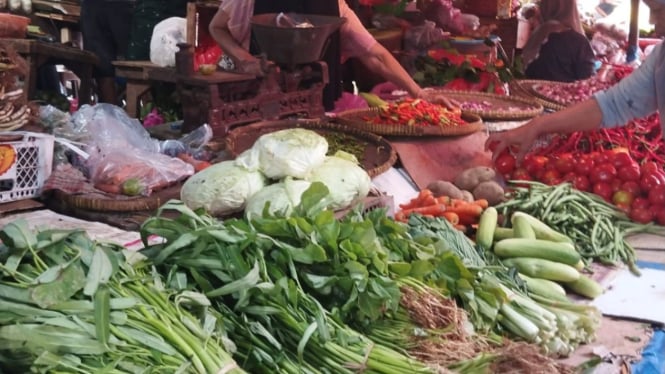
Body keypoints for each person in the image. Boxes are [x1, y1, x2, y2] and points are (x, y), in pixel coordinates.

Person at [208, 0, 454, 111]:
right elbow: (216, 27)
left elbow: (376, 55)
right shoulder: (248, 2)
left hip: (317, 105)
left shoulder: (335, 7)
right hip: (256, 104)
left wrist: (418, 93)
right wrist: (244, 59)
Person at [485, 41, 665, 162]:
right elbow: (614, 104)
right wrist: (537, 125)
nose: (652, 19)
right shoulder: (661, 56)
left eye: (658, 10)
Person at [521, 0, 596, 82]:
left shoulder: (538, 34)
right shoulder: (578, 41)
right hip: (562, 93)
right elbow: (588, 79)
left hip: (528, 91)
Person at [79, 0, 135, 104]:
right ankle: (110, 115)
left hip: (102, 8)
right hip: (95, 8)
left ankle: (152, 116)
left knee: (138, 64)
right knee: (103, 69)